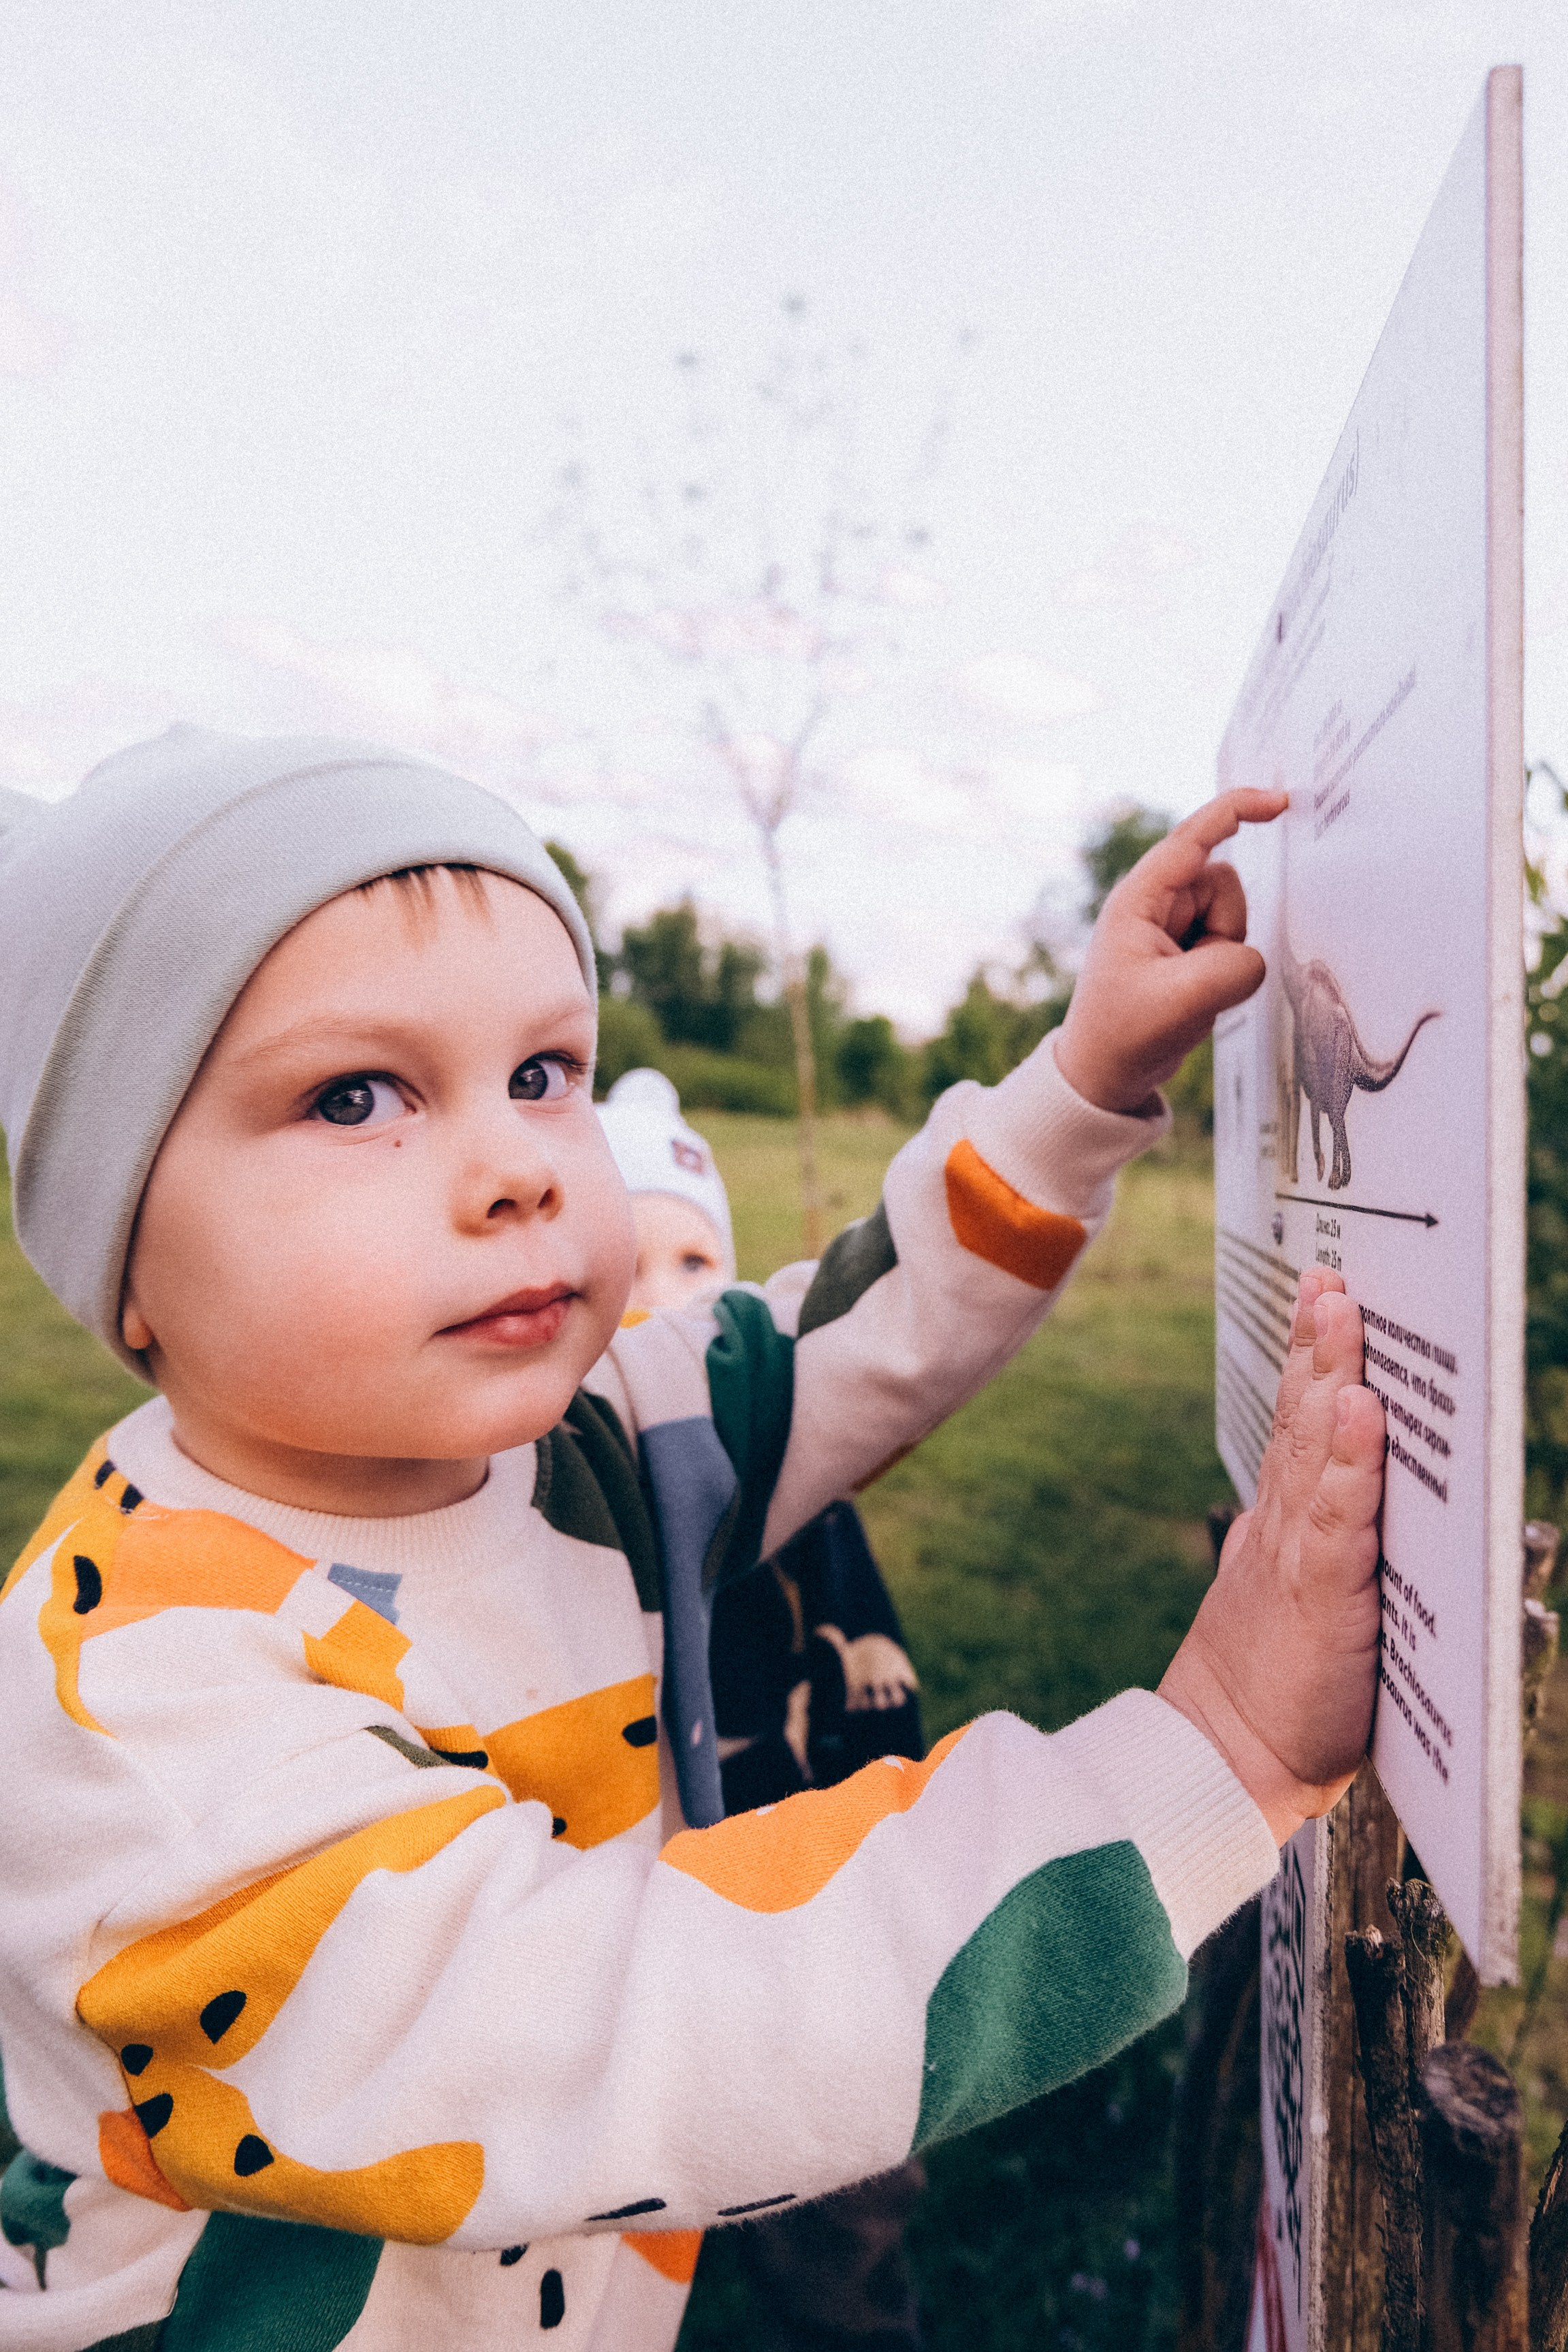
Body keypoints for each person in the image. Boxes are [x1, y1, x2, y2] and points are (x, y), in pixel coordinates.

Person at [0, 729, 1385, 2352]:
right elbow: (650, 2020)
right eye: (355, 1095)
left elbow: (849, 1333)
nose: (517, 1165)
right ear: (124, 1257)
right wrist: (1205, 1754)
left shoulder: (566, 1455)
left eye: (543, 1073)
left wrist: (1081, 1083)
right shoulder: (148, 1720)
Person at [600, 1065, 927, 2352]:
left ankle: (848, 2307)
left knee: (832, 2153)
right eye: (622, 1268)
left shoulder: (791, 1489)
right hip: (625, 1921)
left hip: (797, 1892)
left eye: (691, 1263)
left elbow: (864, 1661)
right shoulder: (546, 1504)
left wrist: (878, 1816)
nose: (658, 1301)